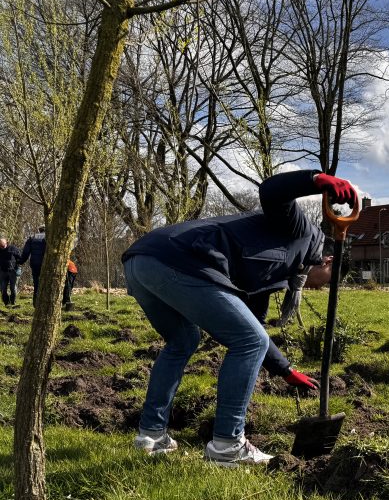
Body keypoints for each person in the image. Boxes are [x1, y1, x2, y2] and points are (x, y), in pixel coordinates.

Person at [121, 170, 357, 466]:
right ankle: (227, 444)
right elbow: (272, 191)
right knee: (248, 342)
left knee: (182, 340)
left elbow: (254, 326)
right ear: (329, 261)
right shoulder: (301, 232)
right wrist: (315, 179)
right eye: (326, 282)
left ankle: (151, 435)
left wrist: (284, 369)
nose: (317, 288)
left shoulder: (279, 273)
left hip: (143, 262)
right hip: (177, 259)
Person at [18, 226, 46, 305]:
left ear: (39, 230)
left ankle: (36, 302)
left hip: (35, 263)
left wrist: (21, 261)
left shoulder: (32, 238)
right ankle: (45, 302)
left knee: (36, 283)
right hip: (46, 263)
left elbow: (26, 252)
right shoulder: (51, 238)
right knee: (47, 282)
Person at [0, 238, 21, 306]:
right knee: (3, 288)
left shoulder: (13, 248)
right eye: (1, 246)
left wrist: (17, 267)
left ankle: (13, 302)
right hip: (3, 271)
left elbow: (19, 258)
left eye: (3, 245)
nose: (2, 247)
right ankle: (6, 303)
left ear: (7, 243)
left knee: (13, 288)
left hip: (12, 271)